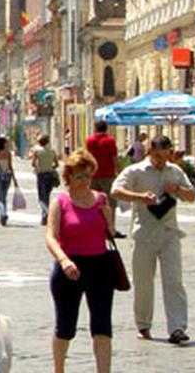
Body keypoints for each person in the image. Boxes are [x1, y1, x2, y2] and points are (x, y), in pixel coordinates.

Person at [111, 135, 195, 345]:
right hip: (144, 234)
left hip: (169, 233)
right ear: (150, 152)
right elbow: (115, 190)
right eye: (157, 156)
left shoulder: (175, 172)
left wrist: (176, 190)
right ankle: (143, 324)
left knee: (174, 281)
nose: (161, 161)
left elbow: (191, 195)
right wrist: (140, 198)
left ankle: (177, 327)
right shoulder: (136, 171)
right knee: (143, 282)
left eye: (165, 157)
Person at [45, 149, 116, 373]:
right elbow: (51, 237)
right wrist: (64, 260)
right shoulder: (61, 202)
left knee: (102, 325)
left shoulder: (101, 200)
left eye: (88, 175)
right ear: (68, 177)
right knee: (65, 326)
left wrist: (108, 218)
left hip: (100, 266)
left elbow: (111, 233)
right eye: (79, 176)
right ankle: (59, 369)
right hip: (70, 268)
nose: (85, 181)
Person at [86, 121, 123, 238]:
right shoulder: (110, 141)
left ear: (95, 128)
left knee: (92, 202)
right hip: (108, 175)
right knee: (110, 203)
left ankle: (93, 227)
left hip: (93, 175)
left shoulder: (89, 141)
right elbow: (114, 158)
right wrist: (119, 171)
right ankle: (110, 229)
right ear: (106, 129)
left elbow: (87, 157)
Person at [0, 137, 19, 226]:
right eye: (6, 143)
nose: (8, 145)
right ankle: (3, 214)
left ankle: (3, 213)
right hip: (7, 176)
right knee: (4, 197)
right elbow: (10, 167)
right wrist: (14, 179)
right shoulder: (8, 154)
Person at [32, 134, 60, 226]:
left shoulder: (37, 151)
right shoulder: (52, 151)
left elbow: (33, 164)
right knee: (47, 195)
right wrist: (50, 167)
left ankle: (46, 214)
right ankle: (45, 215)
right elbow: (56, 164)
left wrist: (38, 167)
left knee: (41, 197)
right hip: (50, 175)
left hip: (41, 175)